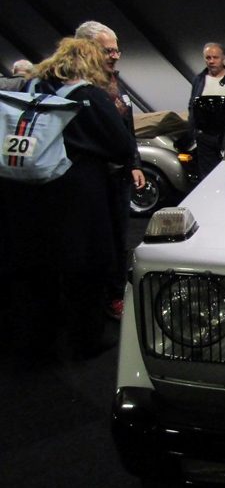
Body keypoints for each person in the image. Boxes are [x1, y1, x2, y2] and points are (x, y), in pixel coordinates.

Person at [0, 38, 137, 359]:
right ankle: (85, 340)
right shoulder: (88, 95)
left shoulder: (31, 88)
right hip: (79, 197)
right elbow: (121, 145)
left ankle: (34, 340)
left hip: (25, 193)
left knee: (35, 272)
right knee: (86, 272)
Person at [75, 21, 145, 320]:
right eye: (108, 51)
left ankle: (116, 294)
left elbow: (127, 128)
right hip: (87, 180)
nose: (115, 56)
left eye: (117, 50)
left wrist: (134, 163)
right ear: (86, 49)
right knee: (91, 243)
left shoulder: (116, 82)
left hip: (118, 177)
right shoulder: (76, 87)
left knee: (119, 238)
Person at [188, 42, 225, 178]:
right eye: (208, 58)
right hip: (205, 137)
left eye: (215, 57)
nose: (211, 61)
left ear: (224, 59)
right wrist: (195, 132)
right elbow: (192, 106)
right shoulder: (199, 79)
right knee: (208, 176)